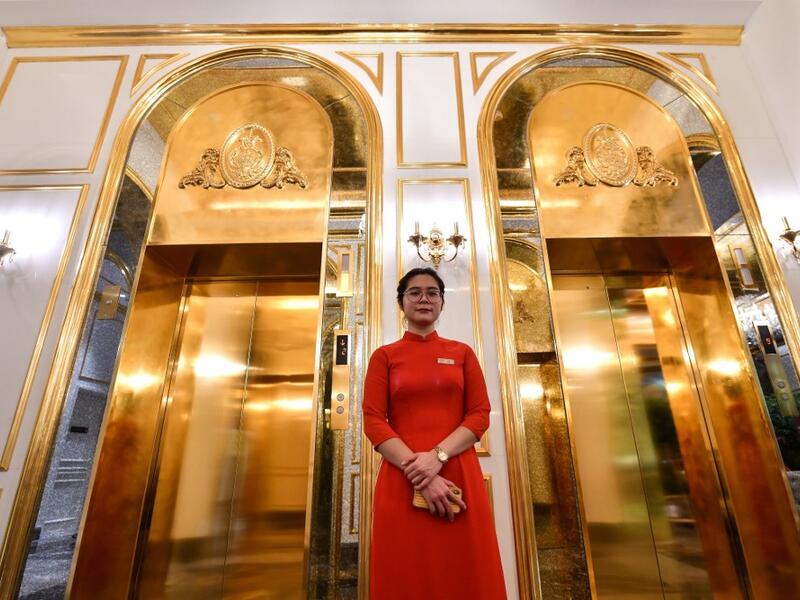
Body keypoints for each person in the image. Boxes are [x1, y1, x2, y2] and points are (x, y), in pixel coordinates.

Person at [362, 267, 507, 599]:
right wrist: (423, 474)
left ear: (442, 303)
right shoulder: (384, 356)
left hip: (458, 475)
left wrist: (438, 456)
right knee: (405, 570)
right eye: (414, 292)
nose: (424, 298)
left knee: (466, 570)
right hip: (403, 478)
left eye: (433, 292)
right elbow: (373, 421)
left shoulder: (462, 353)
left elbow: (479, 415)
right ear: (401, 302)